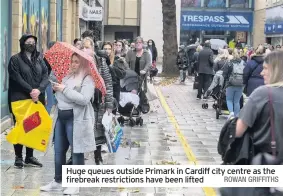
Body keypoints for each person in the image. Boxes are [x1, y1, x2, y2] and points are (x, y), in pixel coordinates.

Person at [40, 53, 95, 195]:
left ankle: (76, 183)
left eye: (77, 62)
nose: (73, 64)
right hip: (61, 117)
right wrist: (58, 88)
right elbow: (59, 96)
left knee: (77, 150)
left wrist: (64, 90)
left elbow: (83, 99)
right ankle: (58, 181)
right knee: (58, 150)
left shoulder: (87, 79)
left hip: (75, 119)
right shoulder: (67, 76)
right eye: (72, 61)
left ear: (83, 64)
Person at [8, 34, 49, 168]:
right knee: (21, 126)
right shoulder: (15, 59)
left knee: (33, 126)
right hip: (20, 98)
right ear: (22, 43)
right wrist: (31, 90)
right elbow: (16, 78)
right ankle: (18, 156)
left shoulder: (39, 59)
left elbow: (45, 75)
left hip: (36, 98)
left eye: (33, 42)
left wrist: (39, 90)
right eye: (28, 42)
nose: (31, 44)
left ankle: (29, 156)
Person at [235, 50, 283, 163]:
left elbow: (238, 131)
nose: (261, 73)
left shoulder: (263, 93)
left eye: (265, 68)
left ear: (277, 70)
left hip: (267, 159)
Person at [82, 37, 113, 165]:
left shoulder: (100, 62)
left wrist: (109, 104)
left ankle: (97, 155)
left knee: (98, 128)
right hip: (85, 101)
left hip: (99, 100)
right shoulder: (79, 61)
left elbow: (108, 82)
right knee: (84, 128)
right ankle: (78, 156)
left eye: (88, 47)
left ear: (93, 48)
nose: (85, 50)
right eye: (83, 47)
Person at [102, 41, 127, 114]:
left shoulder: (117, 60)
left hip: (114, 90)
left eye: (109, 49)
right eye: (105, 49)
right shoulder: (98, 60)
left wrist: (111, 66)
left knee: (111, 113)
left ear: (112, 50)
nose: (107, 51)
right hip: (102, 90)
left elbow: (122, 74)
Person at [223, 49, 245, 119]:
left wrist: (225, 81)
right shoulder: (243, 63)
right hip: (240, 84)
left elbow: (225, 74)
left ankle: (231, 113)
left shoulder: (229, 62)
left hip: (230, 83)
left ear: (232, 54)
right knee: (237, 101)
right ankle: (237, 115)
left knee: (229, 99)